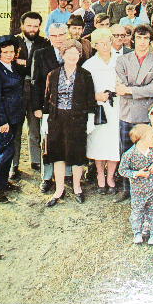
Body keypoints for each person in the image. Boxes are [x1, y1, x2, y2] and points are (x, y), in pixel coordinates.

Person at [115, 24, 153, 202]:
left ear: (151, 41)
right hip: (127, 113)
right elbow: (120, 87)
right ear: (133, 39)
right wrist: (141, 90)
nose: (142, 42)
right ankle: (126, 188)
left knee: (147, 152)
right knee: (126, 152)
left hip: (146, 114)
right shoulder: (122, 60)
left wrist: (131, 90)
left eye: (146, 38)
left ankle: (147, 189)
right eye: (139, 38)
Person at [42, 40, 96, 207]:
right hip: (56, 119)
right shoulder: (53, 74)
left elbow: (90, 100)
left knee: (77, 155)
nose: (72, 56)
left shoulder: (85, 75)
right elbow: (47, 99)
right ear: (63, 54)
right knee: (57, 155)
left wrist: (90, 120)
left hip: (77, 120)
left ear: (80, 55)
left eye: (76, 53)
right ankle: (59, 189)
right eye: (69, 53)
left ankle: (77, 187)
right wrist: (45, 121)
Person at [0, 35, 27, 202]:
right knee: (7, 150)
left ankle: (1, 182)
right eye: (5, 52)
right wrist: (2, 122)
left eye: (12, 52)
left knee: (4, 149)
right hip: (3, 119)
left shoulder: (13, 67)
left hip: (14, 116)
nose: (9, 55)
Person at [31, 23, 69, 193]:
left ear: (67, 35)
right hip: (48, 106)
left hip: (69, 107)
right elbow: (35, 82)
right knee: (47, 142)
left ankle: (67, 174)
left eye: (61, 35)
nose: (58, 39)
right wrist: (37, 107)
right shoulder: (40, 54)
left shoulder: (74, 52)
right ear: (49, 37)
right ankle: (47, 177)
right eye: (54, 35)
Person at [82, 29, 121, 195]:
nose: (105, 46)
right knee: (98, 142)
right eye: (101, 43)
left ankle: (110, 176)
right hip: (98, 108)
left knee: (114, 143)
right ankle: (100, 175)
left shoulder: (120, 60)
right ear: (94, 45)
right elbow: (81, 90)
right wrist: (95, 96)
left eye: (108, 42)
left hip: (117, 106)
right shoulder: (89, 65)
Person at [12, 11, 50, 178]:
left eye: (36, 26)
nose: (32, 29)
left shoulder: (44, 43)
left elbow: (44, 67)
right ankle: (14, 165)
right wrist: (30, 65)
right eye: (29, 25)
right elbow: (10, 64)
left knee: (35, 129)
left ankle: (36, 160)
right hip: (16, 90)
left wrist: (25, 63)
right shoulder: (13, 41)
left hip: (36, 91)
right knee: (16, 129)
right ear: (22, 25)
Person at [117, 124, 153, 245]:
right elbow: (122, 170)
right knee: (137, 212)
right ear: (142, 139)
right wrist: (136, 173)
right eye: (152, 137)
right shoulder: (129, 154)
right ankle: (137, 233)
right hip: (138, 191)